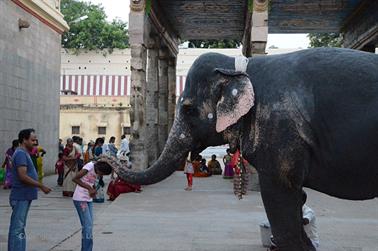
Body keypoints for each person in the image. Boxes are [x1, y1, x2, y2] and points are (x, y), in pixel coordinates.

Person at [8, 129, 51, 251]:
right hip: (21, 196)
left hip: (24, 196)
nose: (35, 142)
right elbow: (23, 176)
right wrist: (41, 186)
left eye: (35, 139)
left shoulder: (24, 152)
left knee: (19, 228)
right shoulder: (21, 153)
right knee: (17, 228)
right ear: (24, 140)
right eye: (32, 140)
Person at [72, 157, 113, 251]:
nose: (101, 175)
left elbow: (89, 181)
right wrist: (89, 188)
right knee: (88, 226)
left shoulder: (97, 170)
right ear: (98, 169)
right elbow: (75, 179)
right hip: (80, 198)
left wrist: (93, 189)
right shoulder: (89, 167)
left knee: (88, 225)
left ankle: (86, 248)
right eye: (101, 173)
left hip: (88, 199)